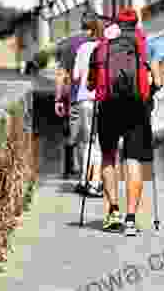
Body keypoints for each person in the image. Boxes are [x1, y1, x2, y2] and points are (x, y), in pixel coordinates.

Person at [88, 7, 159, 235]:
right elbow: (158, 80)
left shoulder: (102, 47)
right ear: (136, 23)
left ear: (116, 24)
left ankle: (113, 212)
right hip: (137, 108)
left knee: (109, 157)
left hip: (108, 107)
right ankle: (130, 219)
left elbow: (90, 84)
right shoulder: (144, 45)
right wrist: (149, 92)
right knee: (133, 161)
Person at [55, 12, 104, 198]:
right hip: (103, 98)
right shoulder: (105, 44)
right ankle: (95, 180)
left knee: (84, 141)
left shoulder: (71, 45)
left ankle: (85, 179)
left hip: (79, 98)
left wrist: (59, 99)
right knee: (99, 141)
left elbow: (66, 75)